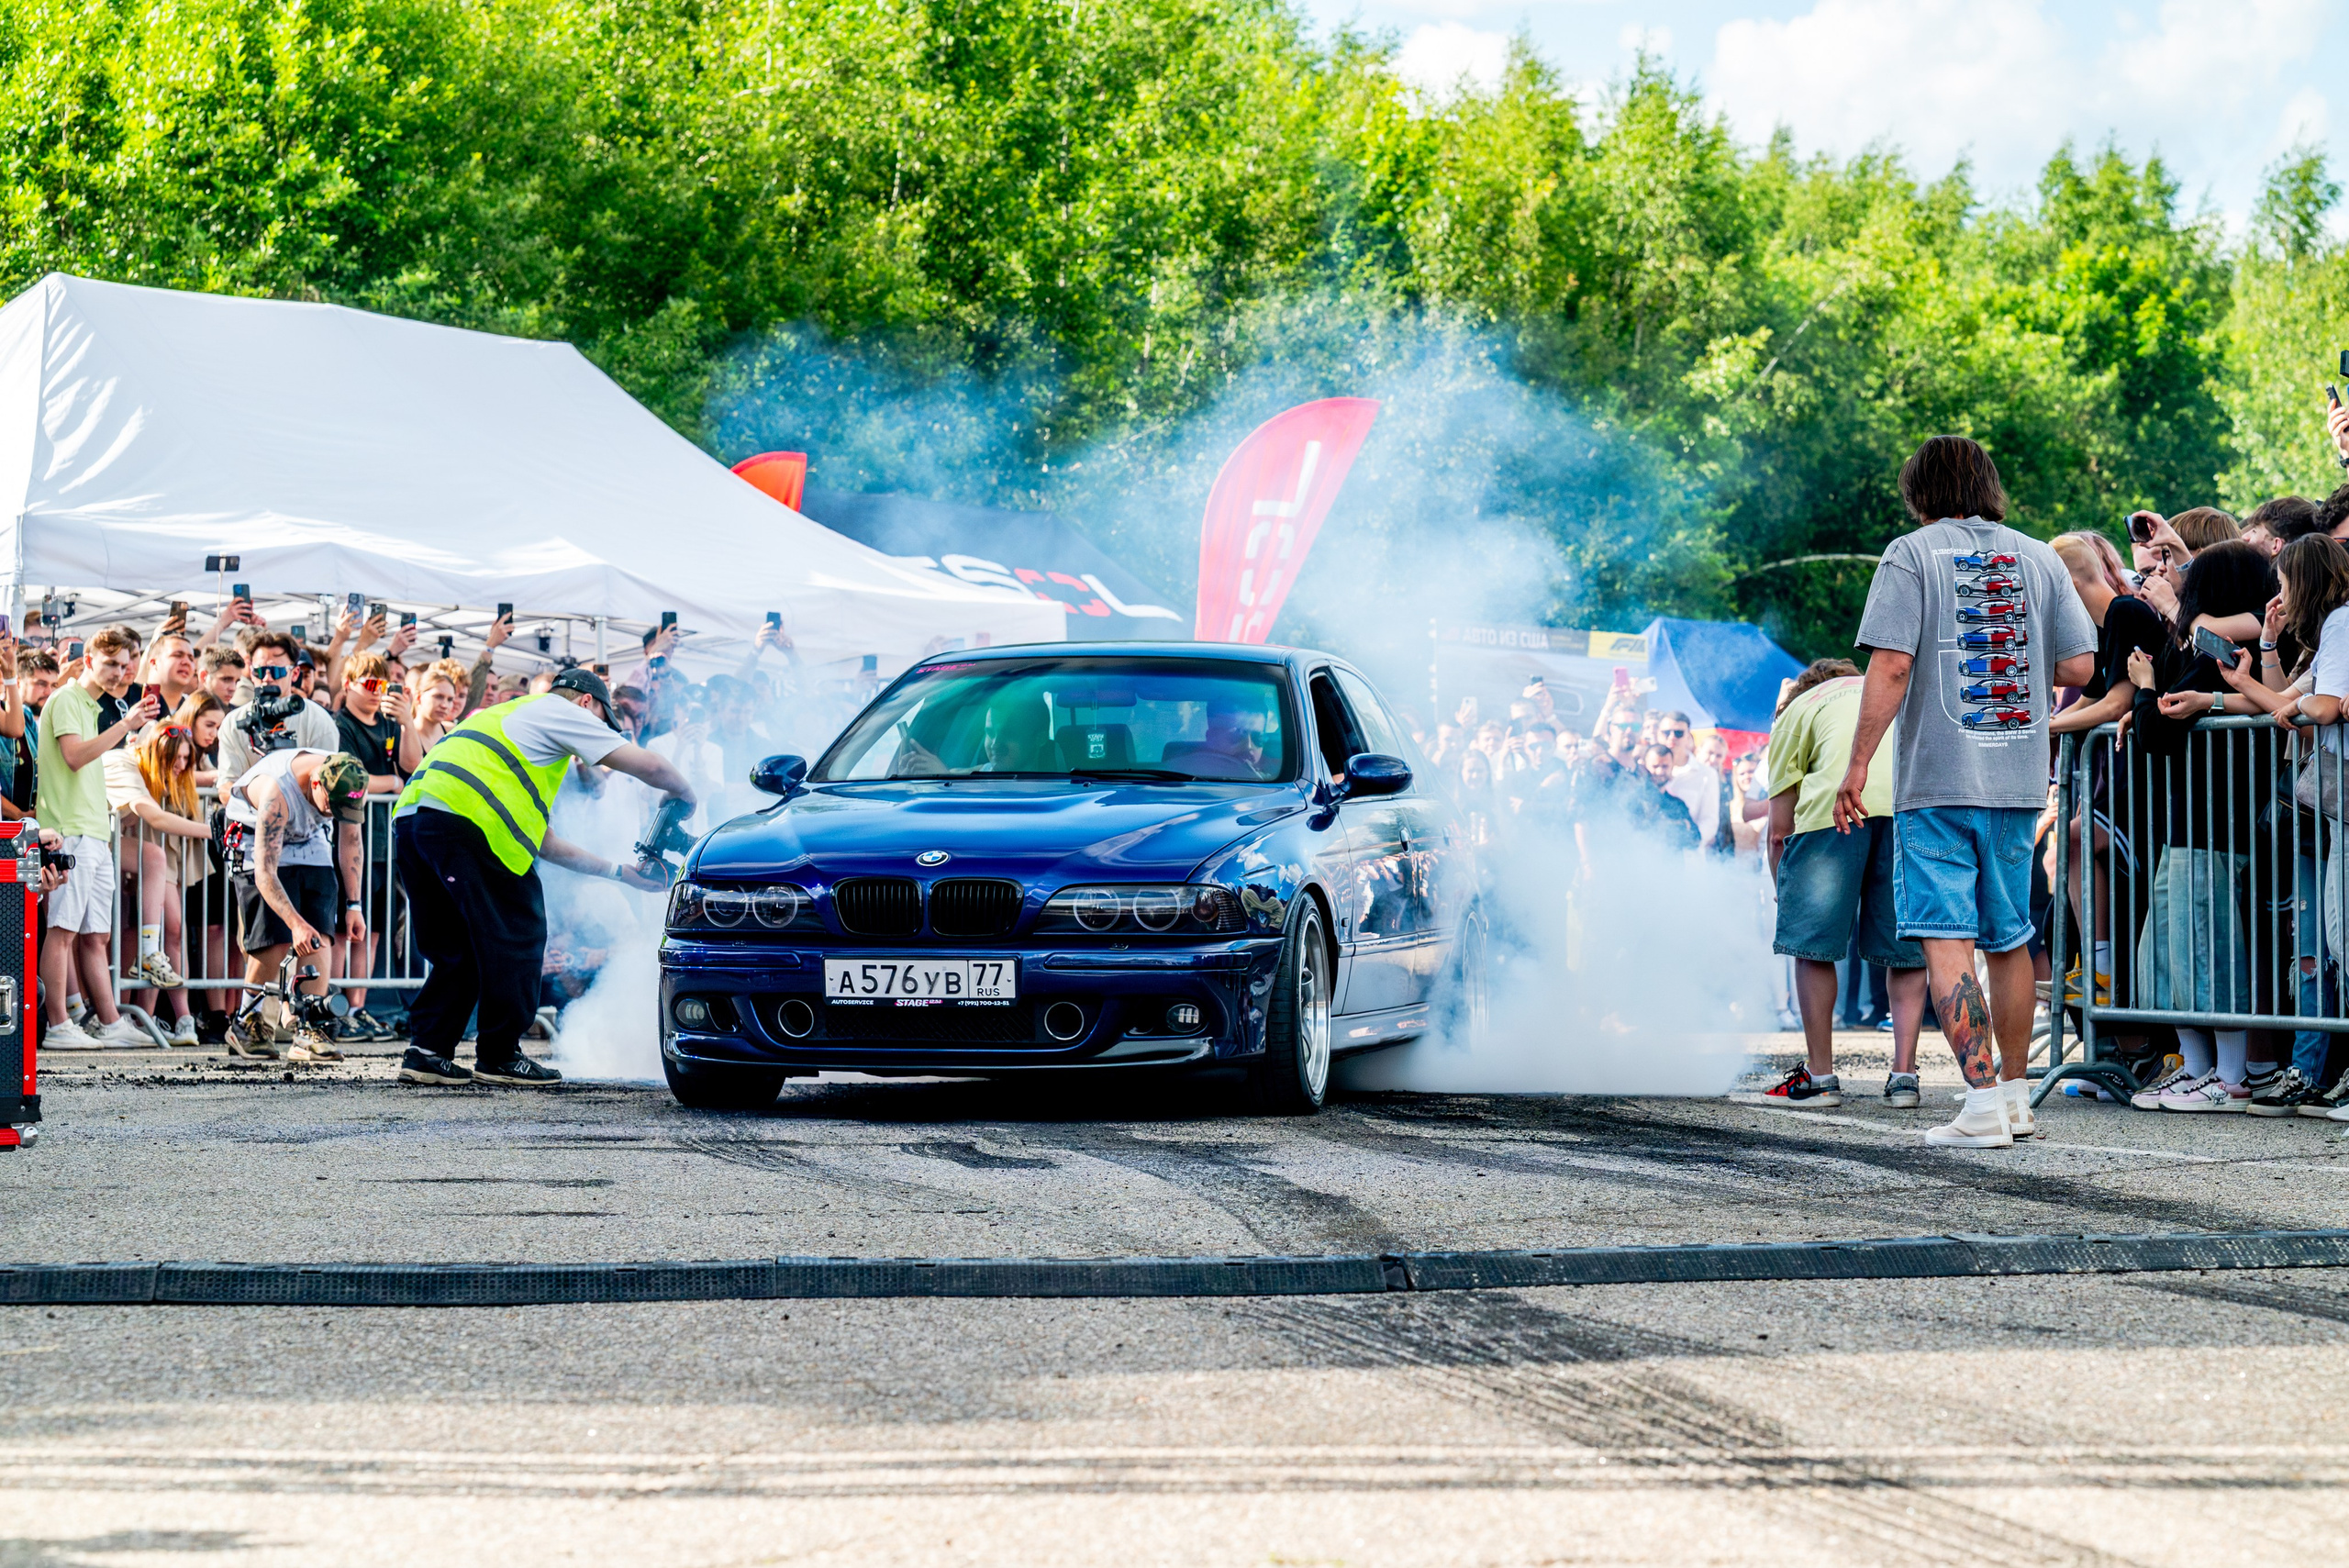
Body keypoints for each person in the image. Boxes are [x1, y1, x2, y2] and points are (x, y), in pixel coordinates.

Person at [1839, 435, 2099, 1148]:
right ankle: (2014, 1099)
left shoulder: (1910, 553)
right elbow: (2080, 657)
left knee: (1945, 936)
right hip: (2017, 779)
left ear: (1921, 492)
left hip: (1940, 778)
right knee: (2010, 936)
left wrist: (1858, 764)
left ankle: (1981, 1105)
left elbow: (1891, 665)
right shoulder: (2040, 556)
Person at [392, 669, 692, 1087]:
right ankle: (499, 1056)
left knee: (456, 945)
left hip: (414, 821)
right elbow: (651, 766)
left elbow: (544, 842)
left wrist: (621, 874)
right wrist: (686, 795)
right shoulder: (558, 711)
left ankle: (427, 1052)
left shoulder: (509, 723)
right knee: (521, 930)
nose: (599, 736)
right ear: (587, 703)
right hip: (464, 822)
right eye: (605, 723)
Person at [2123, 540, 2286, 1112]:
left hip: (2213, 825)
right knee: (2167, 950)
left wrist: (2143, 688)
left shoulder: (2227, 654)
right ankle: (2196, 1069)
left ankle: (2231, 1076)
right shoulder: (2208, 650)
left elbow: (2158, 733)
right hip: (2192, 824)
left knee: (2206, 946)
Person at [1753, 660, 1930, 1107]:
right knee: (1905, 948)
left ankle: (1821, 1078)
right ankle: (1904, 1078)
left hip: (1832, 815)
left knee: (1814, 948)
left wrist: (1785, 889)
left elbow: (1778, 830)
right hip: (1909, 812)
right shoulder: (1886, 688)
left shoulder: (1796, 710)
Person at [34, 627, 163, 1049]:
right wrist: (125, 725)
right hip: (69, 831)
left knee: (95, 936)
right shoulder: (69, 699)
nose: (120, 673)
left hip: (90, 830)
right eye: (111, 663)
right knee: (64, 931)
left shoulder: (85, 704)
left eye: (126, 665)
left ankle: (108, 1021)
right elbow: (74, 758)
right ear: (88, 660)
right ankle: (57, 1026)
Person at [222, 748, 371, 1060]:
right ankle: (247, 1021)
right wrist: (294, 924)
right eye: (333, 806)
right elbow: (264, 874)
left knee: (320, 933)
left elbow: (351, 841)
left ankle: (308, 1025)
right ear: (316, 785)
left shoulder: (349, 779)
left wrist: (354, 905)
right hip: (255, 839)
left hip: (309, 836)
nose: (336, 813)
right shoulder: (277, 790)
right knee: (275, 937)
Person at [105, 722, 210, 1043]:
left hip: (111, 846)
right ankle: (94, 1016)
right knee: (95, 935)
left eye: (185, 760)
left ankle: (160, 1014)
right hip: (87, 841)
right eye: (174, 759)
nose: (180, 767)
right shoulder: (124, 763)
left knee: (163, 923)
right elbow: (156, 818)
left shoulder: (157, 776)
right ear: (154, 752)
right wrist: (213, 831)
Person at [217, 631, 342, 785]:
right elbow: (227, 785)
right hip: (250, 808)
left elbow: (327, 783)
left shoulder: (319, 720)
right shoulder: (234, 722)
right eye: (260, 671)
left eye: (277, 671)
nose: (267, 678)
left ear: (295, 674)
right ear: (251, 672)